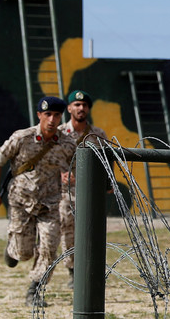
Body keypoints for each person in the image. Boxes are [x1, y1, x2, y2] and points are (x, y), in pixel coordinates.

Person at [0, 97, 78, 307]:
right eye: (48, 115)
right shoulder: (22, 137)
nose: (52, 120)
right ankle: (13, 250)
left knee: (49, 247)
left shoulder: (67, 143)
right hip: (21, 202)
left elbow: (74, 167)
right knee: (24, 252)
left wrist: (71, 175)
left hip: (50, 203)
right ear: (39, 115)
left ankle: (35, 291)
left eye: (57, 115)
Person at [57, 90, 109, 287]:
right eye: (76, 105)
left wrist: (107, 183)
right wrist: (59, 175)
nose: (81, 108)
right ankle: (73, 272)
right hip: (66, 193)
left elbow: (106, 161)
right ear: (69, 108)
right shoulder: (60, 133)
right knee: (68, 230)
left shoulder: (97, 134)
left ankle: (90, 269)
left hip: (91, 192)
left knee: (91, 231)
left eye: (84, 105)